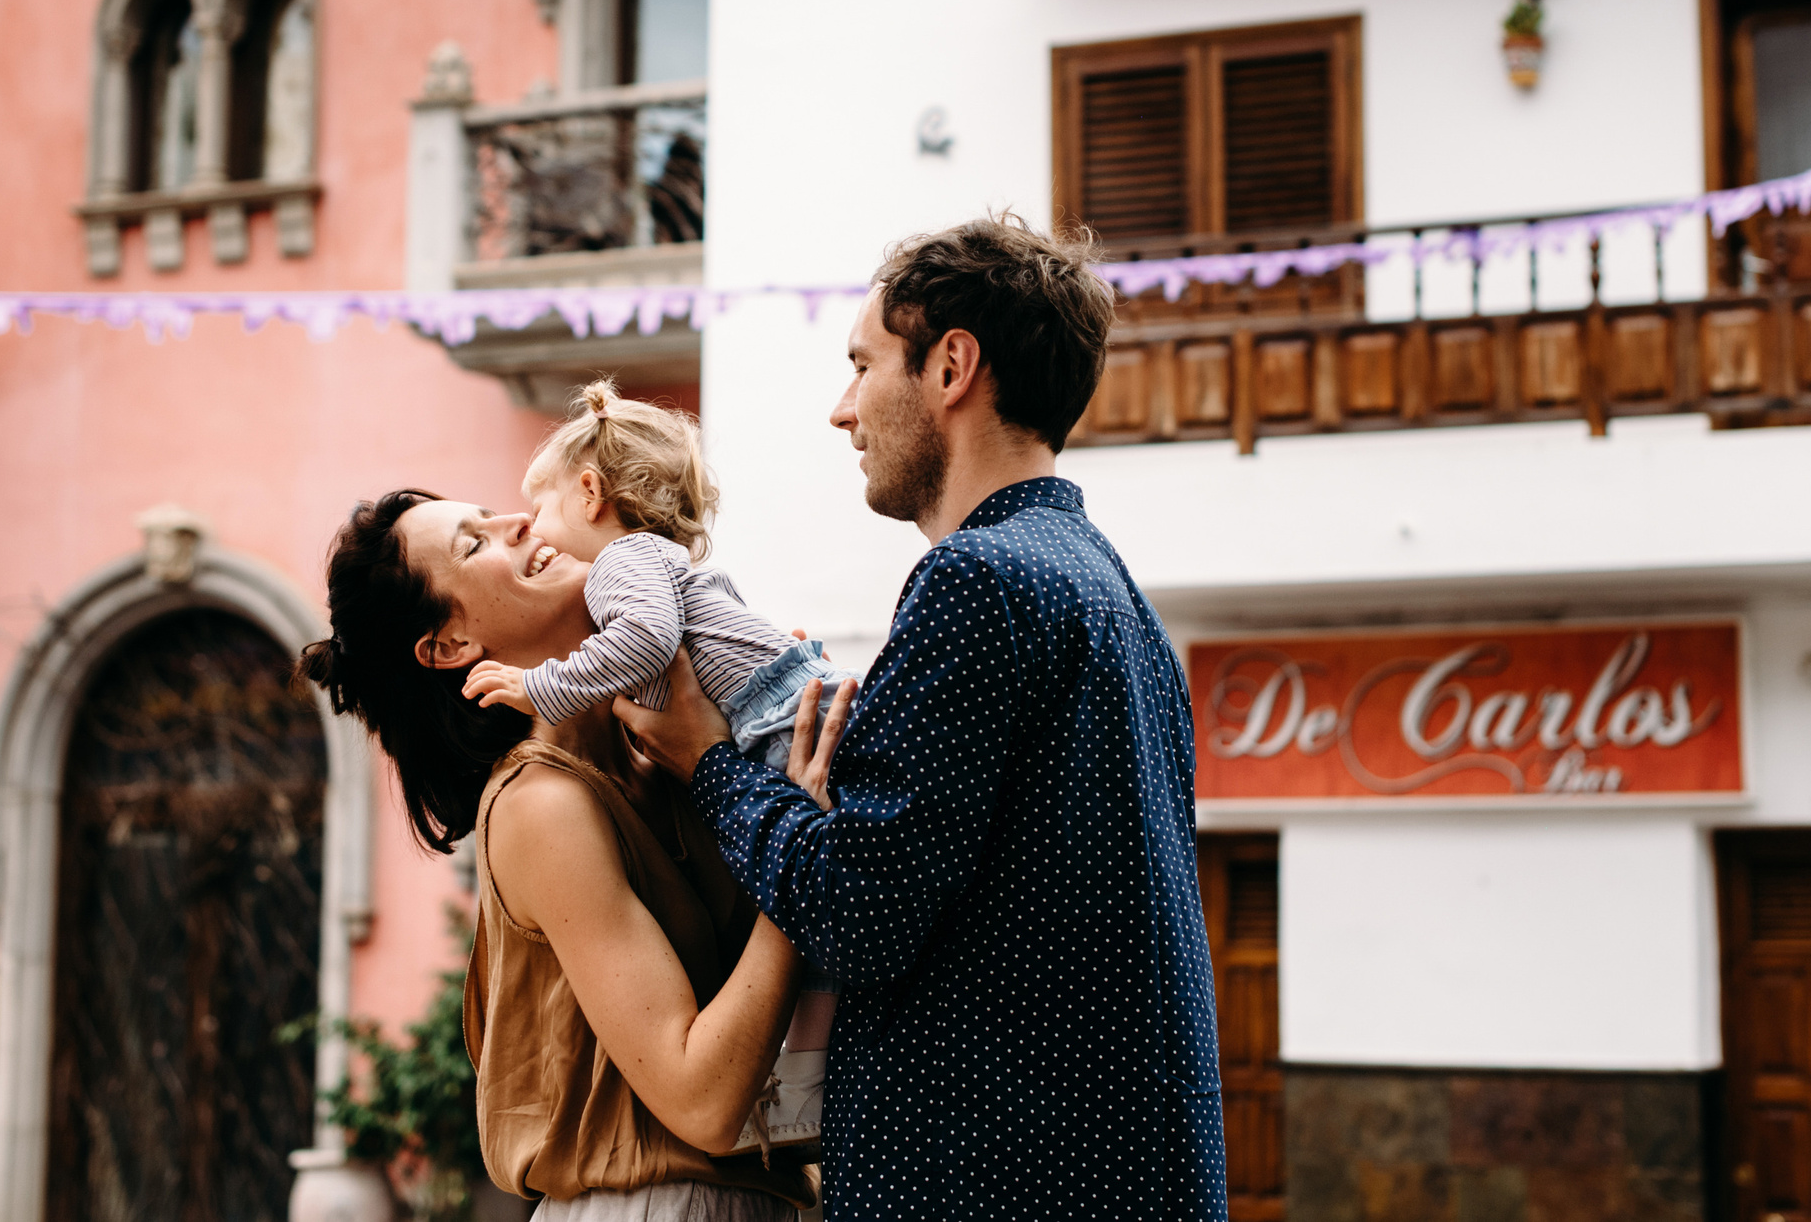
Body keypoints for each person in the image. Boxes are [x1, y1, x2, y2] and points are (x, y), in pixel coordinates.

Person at [615, 214, 1230, 1222]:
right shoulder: (1104, 587)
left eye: (861, 366)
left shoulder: (978, 581)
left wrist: (710, 763)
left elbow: (858, 914)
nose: (841, 410)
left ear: (951, 367)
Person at [296, 488, 835, 1220]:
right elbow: (702, 1098)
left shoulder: (670, 758)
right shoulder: (540, 803)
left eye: (491, 512)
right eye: (473, 542)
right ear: (451, 645)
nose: (517, 519)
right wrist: (800, 844)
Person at [458, 380, 852, 1150]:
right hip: (778, 712)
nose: (528, 528)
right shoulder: (657, 558)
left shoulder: (621, 562)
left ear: (590, 492)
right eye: (478, 540)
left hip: (775, 724)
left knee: (836, 900)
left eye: (534, 511)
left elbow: (642, 642)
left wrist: (536, 682)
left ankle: (809, 1095)